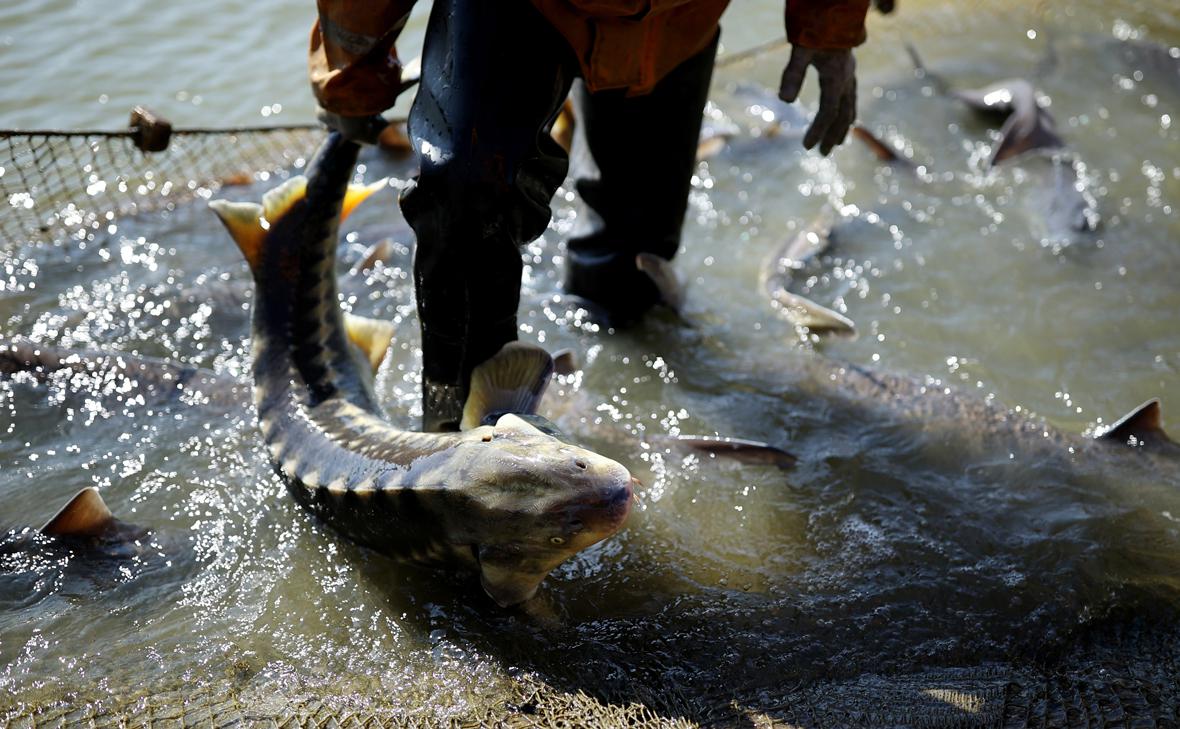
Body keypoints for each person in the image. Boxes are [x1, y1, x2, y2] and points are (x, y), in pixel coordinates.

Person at [309, 0, 877, 432]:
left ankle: (605, 329)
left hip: (678, 21)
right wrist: (353, 76)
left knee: (629, 267)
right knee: (463, 195)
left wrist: (829, 28)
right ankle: (455, 433)